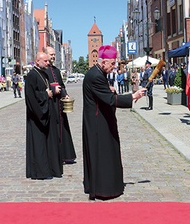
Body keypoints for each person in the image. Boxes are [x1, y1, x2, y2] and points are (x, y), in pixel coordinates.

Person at [82, 45, 146, 200]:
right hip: (99, 123)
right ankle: (105, 188)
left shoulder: (98, 73)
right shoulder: (96, 76)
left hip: (99, 119)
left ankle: (102, 184)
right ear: (103, 62)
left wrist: (108, 88)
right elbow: (110, 100)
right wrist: (132, 96)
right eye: (112, 64)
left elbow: (103, 93)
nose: (114, 67)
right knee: (104, 154)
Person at [25, 52, 63, 180]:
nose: (48, 63)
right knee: (39, 144)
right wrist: (46, 94)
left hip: (46, 112)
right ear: (37, 61)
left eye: (48, 61)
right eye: (45, 61)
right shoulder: (31, 75)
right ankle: (40, 172)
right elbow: (32, 97)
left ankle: (50, 169)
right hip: (37, 116)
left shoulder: (44, 74)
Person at [44, 46, 77, 164]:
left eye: (54, 55)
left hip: (59, 103)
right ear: (45, 55)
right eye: (51, 54)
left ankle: (64, 154)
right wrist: (53, 89)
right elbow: (43, 87)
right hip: (50, 104)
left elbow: (62, 85)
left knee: (63, 128)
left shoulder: (56, 70)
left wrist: (65, 94)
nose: (53, 56)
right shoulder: (42, 70)